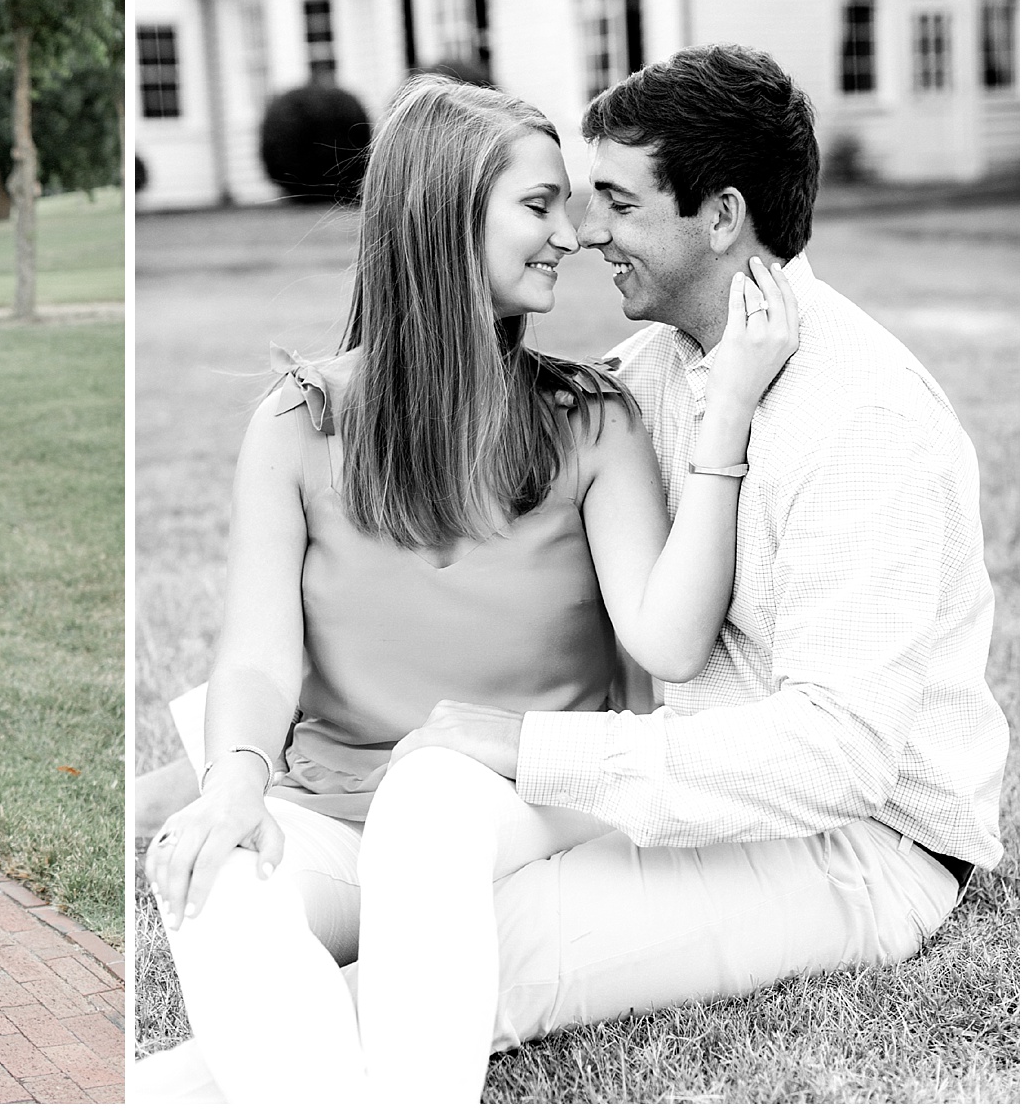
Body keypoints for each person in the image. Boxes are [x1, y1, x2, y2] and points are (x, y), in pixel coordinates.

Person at [140, 74, 800, 1103]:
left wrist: (726, 426)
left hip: (518, 802)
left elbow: (669, 643)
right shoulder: (299, 423)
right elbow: (259, 658)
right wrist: (232, 781)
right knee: (207, 868)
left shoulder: (590, 419)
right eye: (539, 205)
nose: (571, 234)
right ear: (447, 218)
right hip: (336, 812)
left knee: (432, 797)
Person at [396, 44, 1007, 1087]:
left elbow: (839, 757)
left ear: (721, 217)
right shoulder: (650, 374)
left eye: (619, 202)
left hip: (864, 842)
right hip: (691, 784)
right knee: (411, 884)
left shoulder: (865, 417)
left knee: (447, 972)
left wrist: (537, 749)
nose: (587, 231)